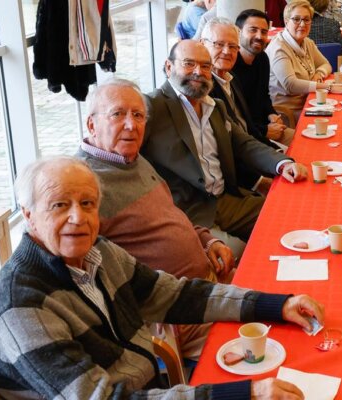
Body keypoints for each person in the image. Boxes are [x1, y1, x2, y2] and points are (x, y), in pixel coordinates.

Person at [0, 156, 325, 399]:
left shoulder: (99, 252)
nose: (78, 218)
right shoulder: (21, 304)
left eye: (88, 203)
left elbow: (175, 295)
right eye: (59, 205)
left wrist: (277, 305)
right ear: (28, 215)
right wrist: (243, 394)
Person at [76, 79, 235, 359]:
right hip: (175, 313)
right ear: (91, 125)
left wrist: (207, 241)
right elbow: (85, 282)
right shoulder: (82, 186)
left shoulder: (133, 159)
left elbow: (170, 214)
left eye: (138, 115)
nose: (131, 125)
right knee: (269, 337)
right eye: (118, 114)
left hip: (207, 282)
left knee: (283, 290)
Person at [142, 40, 308, 250]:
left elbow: (244, 144)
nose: (198, 72)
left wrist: (283, 164)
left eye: (205, 66)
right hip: (188, 212)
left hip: (226, 199)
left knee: (292, 215)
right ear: (169, 67)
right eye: (189, 63)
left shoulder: (215, 106)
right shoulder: (150, 106)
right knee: (241, 253)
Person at [199, 17, 292, 157]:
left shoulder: (232, 78)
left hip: (255, 145)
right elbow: (228, 142)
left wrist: (276, 151)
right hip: (239, 158)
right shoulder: (202, 88)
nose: (226, 51)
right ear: (202, 44)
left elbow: (247, 127)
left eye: (232, 46)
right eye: (219, 44)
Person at [232, 10, 295, 148]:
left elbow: (264, 96)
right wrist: (264, 131)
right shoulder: (230, 66)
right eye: (253, 30)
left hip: (266, 128)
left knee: (306, 143)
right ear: (238, 32)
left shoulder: (262, 58)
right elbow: (234, 118)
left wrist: (271, 114)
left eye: (264, 32)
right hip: (246, 138)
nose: (259, 36)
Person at [266, 0, 334, 126]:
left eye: (306, 19)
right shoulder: (279, 47)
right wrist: (327, 87)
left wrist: (319, 73)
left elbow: (326, 64)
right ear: (286, 21)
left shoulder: (307, 42)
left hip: (310, 102)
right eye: (296, 19)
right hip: (289, 114)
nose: (302, 24)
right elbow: (290, 84)